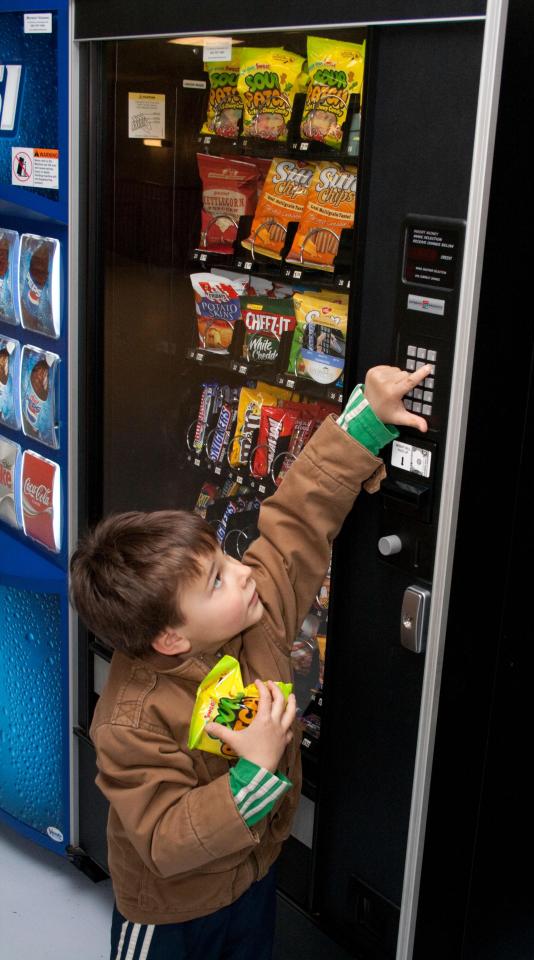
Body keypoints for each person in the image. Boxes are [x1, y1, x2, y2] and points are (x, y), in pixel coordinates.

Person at [70, 363, 432, 960]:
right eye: (217, 580)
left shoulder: (255, 613)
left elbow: (296, 520)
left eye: (223, 557)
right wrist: (256, 773)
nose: (243, 571)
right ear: (169, 639)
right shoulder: (127, 723)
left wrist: (363, 422)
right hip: (171, 914)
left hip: (250, 876)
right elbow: (165, 838)